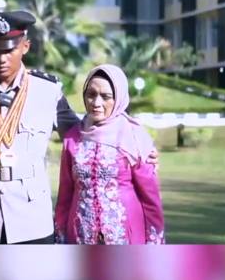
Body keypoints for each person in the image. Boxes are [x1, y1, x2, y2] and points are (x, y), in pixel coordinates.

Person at [0, 11, 160, 244]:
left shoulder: (47, 91)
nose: (1, 58)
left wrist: (136, 145)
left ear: (25, 46)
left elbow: (85, 135)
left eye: (9, 50)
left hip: (32, 219)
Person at [54, 64, 165, 245]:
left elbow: (150, 199)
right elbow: (65, 195)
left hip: (125, 236)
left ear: (119, 98)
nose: (96, 103)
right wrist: (60, 237)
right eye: (91, 94)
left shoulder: (134, 137)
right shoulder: (73, 137)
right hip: (80, 235)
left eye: (106, 97)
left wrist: (155, 242)